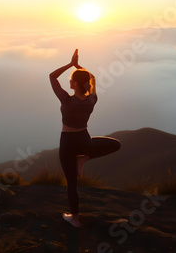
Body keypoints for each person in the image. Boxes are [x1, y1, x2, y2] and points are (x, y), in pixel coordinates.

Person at [49, 49, 121, 228]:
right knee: (116, 144)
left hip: (67, 142)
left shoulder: (66, 100)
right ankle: (85, 157)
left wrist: (70, 64)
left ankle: (74, 218)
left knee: (72, 183)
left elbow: (52, 76)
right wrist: (79, 68)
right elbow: (94, 78)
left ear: (73, 84)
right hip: (84, 140)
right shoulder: (92, 100)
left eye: (72, 81)